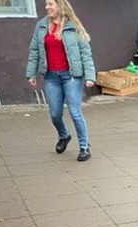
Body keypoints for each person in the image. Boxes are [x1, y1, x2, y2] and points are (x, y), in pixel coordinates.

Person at [26, 0, 95, 162]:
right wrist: (31, 74)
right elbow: (34, 51)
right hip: (51, 77)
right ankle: (64, 135)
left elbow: (85, 52)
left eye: (51, 4)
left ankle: (84, 147)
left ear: (60, 5)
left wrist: (90, 76)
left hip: (71, 76)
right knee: (55, 114)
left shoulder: (73, 26)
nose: (47, 7)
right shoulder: (41, 26)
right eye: (46, 4)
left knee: (75, 112)